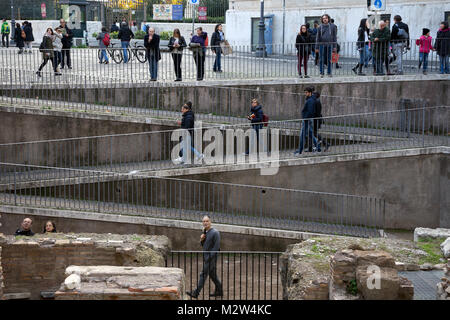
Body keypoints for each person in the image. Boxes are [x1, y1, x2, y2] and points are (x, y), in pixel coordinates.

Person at [186, 215, 223, 299]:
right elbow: (204, 245)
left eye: (207, 221)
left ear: (210, 222)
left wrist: (209, 257)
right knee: (213, 275)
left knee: (203, 274)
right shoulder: (205, 232)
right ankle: (219, 291)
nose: (205, 223)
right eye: (204, 221)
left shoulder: (215, 232)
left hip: (211, 258)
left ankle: (196, 292)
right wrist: (202, 240)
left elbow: (216, 247)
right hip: (207, 258)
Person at [294, 87, 321, 155]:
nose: (305, 94)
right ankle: (318, 147)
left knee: (302, 135)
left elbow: (310, 111)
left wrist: (305, 118)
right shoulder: (310, 99)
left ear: (310, 92)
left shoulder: (310, 100)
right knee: (310, 134)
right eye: (305, 92)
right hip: (308, 119)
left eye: (306, 92)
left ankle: (300, 151)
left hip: (307, 120)